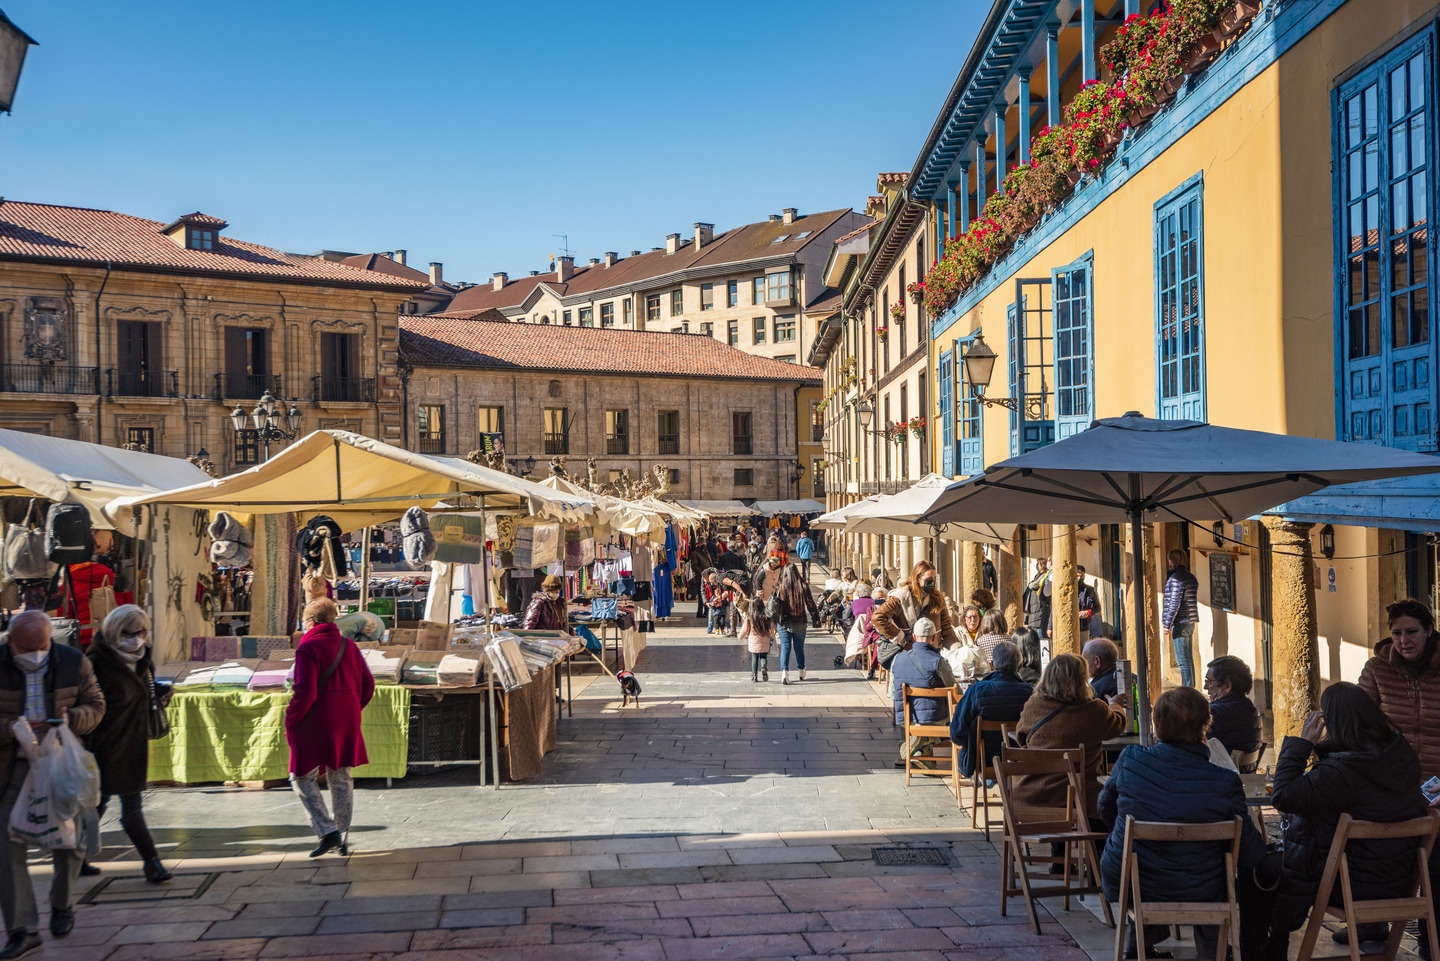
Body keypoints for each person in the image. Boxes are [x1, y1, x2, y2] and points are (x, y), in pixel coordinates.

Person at [1258, 682, 1426, 961]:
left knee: (1263, 870)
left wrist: (1303, 744)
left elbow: (1283, 796)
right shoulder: (1400, 755)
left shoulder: (1341, 773)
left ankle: (1268, 951)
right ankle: (1369, 928)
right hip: (1399, 880)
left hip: (1348, 884)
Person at [1098, 687, 1265, 961]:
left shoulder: (1131, 760)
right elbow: (1250, 851)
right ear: (1205, 726)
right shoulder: (1225, 781)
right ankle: (1214, 951)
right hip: (1202, 886)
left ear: (1157, 726)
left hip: (1132, 880)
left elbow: (1105, 808)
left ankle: (1139, 944)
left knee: (1139, 856)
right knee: (1210, 870)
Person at [0, 610, 105, 958]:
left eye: (41, 646)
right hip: (11, 765)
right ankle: (23, 929)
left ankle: (62, 904)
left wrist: (72, 718)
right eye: (26, 648)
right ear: (10, 641)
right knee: (6, 846)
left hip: (60, 761)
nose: (34, 653)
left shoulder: (73, 661)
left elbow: (96, 705)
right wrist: (12, 727)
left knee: (71, 843)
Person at [1358, 597, 1440, 957]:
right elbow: (1361, 722)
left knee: (1435, 868)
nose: (1404, 640)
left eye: (1411, 632)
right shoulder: (1377, 669)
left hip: (1439, 784)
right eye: (1396, 633)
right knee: (1387, 858)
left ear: (1429, 631)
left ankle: (1430, 940)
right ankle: (1374, 925)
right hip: (1397, 784)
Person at [82, 606, 171, 884]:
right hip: (103, 744)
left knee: (115, 802)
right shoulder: (96, 660)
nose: (135, 639)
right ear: (114, 631)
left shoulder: (143, 657)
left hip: (133, 743)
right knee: (103, 802)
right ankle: (151, 861)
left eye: (141, 632)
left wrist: (160, 690)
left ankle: (80, 857)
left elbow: (141, 689)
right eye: (129, 633)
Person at [285, 598, 375, 859]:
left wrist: (291, 719)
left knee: (301, 776)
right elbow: (368, 685)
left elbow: (305, 693)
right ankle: (342, 834)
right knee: (342, 777)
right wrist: (351, 709)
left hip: (314, 722)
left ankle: (327, 831)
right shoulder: (349, 646)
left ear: (311, 622)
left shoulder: (307, 648)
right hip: (345, 720)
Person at [1014, 652, 1127, 825]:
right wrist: (1116, 705)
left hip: (1030, 795)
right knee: (1117, 803)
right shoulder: (1092, 710)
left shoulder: (1032, 705)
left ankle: (1060, 846)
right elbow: (1117, 725)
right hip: (1077, 799)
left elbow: (1022, 738)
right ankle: (1099, 848)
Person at [950, 640, 1033, 779]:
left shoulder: (977, 691)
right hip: (1019, 761)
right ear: (1019, 667)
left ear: (992, 665)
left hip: (982, 760)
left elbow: (956, 733)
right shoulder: (1030, 693)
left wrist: (973, 742)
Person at [871, 561, 961, 671]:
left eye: (934, 579)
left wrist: (955, 647)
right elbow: (877, 617)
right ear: (917, 578)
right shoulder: (900, 598)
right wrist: (899, 635)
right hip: (908, 651)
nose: (932, 583)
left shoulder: (937, 599)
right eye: (928, 580)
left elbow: (946, 626)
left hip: (932, 651)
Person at [891, 617, 956, 765]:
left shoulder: (898, 659)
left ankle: (917, 748)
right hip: (935, 718)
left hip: (907, 718)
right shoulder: (938, 661)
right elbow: (953, 689)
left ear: (914, 637)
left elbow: (893, 691)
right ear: (934, 638)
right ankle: (921, 748)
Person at [1203, 655, 1262, 757]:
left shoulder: (1214, 714)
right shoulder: (1251, 709)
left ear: (1227, 686)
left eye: (1208, 681)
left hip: (1220, 771)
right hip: (1246, 772)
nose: (1205, 687)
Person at [772, 563, 818, 685]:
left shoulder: (780, 585)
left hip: (784, 621)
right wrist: (815, 618)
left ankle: (784, 673)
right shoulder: (803, 585)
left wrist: (772, 621)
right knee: (799, 648)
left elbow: (773, 604)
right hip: (800, 621)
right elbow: (810, 603)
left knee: (785, 647)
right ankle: (801, 670)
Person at [1162, 548, 1200, 687]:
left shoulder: (1175, 579)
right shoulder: (1191, 577)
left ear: (1172, 561)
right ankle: (1191, 688)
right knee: (1188, 659)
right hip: (1191, 621)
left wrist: (1167, 623)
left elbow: (1174, 603)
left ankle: (1187, 690)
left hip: (1180, 622)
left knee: (1182, 660)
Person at [737, 596, 774, 683]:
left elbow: (745, 629)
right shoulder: (766, 616)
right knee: (763, 656)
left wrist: (740, 636)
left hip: (754, 640)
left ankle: (754, 675)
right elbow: (772, 627)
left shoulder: (750, 617)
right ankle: (764, 666)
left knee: (754, 657)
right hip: (765, 639)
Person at [1022, 557, 1052, 638]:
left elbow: (1033, 585)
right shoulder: (1037, 576)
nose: (1037, 566)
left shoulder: (1044, 576)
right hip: (1033, 611)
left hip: (1039, 609)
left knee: (1040, 635)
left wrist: (1030, 585)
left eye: (1038, 564)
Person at [1076, 565, 1101, 636]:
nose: (1079, 578)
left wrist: (1088, 612)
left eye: (1081, 576)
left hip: (1083, 627)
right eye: (1077, 576)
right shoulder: (1066, 590)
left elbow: (1098, 608)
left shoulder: (1090, 590)